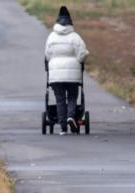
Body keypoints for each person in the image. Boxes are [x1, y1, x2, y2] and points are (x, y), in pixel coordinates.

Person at [45, 6, 89, 135]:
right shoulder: (75, 37)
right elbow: (82, 55)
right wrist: (85, 56)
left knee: (59, 99)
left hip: (56, 75)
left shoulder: (51, 37)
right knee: (72, 97)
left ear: (57, 22)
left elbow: (47, 56)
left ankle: (63, 127)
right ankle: (71, 116)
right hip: (72, 75)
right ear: (70, 22)